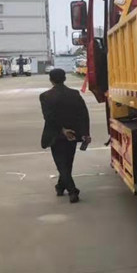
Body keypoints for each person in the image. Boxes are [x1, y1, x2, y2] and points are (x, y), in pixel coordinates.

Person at [40, 68, 91, 203]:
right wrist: (86, 133)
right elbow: (83, 115)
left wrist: (62, 130)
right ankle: (60, 186)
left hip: (56, 135)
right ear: (65, 78)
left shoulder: (45, 96)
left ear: (50, 80)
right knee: (67, 163)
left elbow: (49, 117)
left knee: (62, 164)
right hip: (73, 135)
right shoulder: (74, 94)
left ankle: (72, 191)